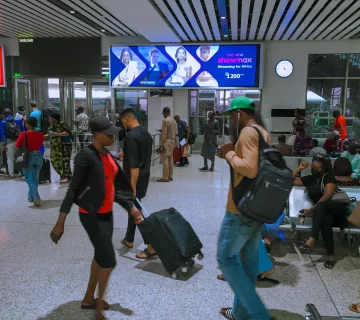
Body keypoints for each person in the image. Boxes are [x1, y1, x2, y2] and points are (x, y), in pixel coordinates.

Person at [50, 116, 142, 320]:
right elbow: (73, 189)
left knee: (101, 256)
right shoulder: (85, 156)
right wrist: (60, 221)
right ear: (97, 135)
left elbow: (115, 187)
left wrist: (131, 209)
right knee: (109, 260)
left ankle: (88, 298)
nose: (112, 136)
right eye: (108, 133)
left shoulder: (108, 156)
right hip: (91, 216)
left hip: (106, 214)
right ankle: (99, 309)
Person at [217, 96, 271, 320]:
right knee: (248, 262)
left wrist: (229, 154)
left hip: (240, 211)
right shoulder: (262, 132)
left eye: (232, 115)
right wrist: (231, 153)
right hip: (255, 207)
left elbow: (249, 169)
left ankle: (257, 313)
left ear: (240, 113)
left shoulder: (248, 133)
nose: (231, 119)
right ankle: (241, 312)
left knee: (226, 258)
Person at [293, 154, 345, 269]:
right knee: (326, 219)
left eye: (317, 169)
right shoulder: (310, 179)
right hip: (323, 213)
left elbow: (327, 195)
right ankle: (331, 256)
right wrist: (299, 169)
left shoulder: (328, 177)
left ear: (324, 168)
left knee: (322, 205)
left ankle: (312, 239)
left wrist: (311, 209)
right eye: (313, 168)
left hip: (337, 210)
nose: (314, 171)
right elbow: (290, 181)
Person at [118, 108, 156, 259]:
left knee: (135, 211)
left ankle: (151, 246)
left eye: (122, 121)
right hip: (144, 175)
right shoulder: (145, 133)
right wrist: (125, 154)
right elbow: (140, 155)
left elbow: (134, 166)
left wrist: (132, 186)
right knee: (134, 207)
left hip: (134, 178)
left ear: (127, 118)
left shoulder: (131, 136)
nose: (122, 125)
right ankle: (129, 239)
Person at [16, 117, 44, 206]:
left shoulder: (23, 134)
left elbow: (17, 145)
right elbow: (40, 143)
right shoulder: (40, 134)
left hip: (28, 157)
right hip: (39, 156)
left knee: (29, 179)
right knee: (35, 178)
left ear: (27, 124)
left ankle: (37, 198)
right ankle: (30, 197)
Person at [45, 112, 72, 184]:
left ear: (54, 119)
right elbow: (51, 133)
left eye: (50, 118)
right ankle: (62, 174)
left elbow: (68, 133)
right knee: (54, 160)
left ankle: (66, 176)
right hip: (55, 146)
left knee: (64, 161)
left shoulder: (62, 124)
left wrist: (57, 134)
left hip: (64, 146)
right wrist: (47, 136)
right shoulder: (51, 125)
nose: (49, 119)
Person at [0, 108, 25, 178]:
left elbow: (2, 133)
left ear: (3, 114)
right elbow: (23, 131)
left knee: (10, 158)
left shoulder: (3, 122)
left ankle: (11, 174)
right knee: (20, 157)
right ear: (11, 113)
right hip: (18, 141)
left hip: (9, 142)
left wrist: (3, 144)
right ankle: (22, 173)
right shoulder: (17, 120)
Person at [157, 107, 176, 182]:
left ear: (165, 113)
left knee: (164, 158)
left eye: (163, 113)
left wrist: (161, 144)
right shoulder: (174, 120)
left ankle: (165, 177)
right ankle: (170, 175)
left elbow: (164, 134)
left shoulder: (165, 121)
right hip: (172, 141)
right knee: (170, 158)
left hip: (167, 141)